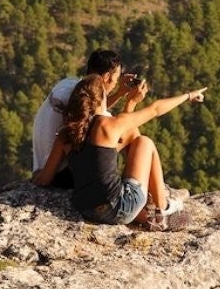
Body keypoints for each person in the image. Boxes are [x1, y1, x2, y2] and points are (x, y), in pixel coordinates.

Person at [33, 64, 206, 231]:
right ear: (102, 99)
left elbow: (44, 179)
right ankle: (163, 208)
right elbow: (155, 109)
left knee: (112, 186)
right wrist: (188, 96)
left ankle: (149, 215)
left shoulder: (66, 133)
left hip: (86, 209)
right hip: (117, 207)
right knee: (144, 143)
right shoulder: (108, 125)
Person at [31, 49, 140, 188]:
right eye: (116, 79)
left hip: (42, 168)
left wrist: (119, 93)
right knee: (131, 134)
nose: (115, 83)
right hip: (59, 174)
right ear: (107, 76)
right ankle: (131, 188)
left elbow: (93, 107)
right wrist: (132, 103)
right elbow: (118, 131)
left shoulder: (69, 85)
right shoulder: (87, 100)